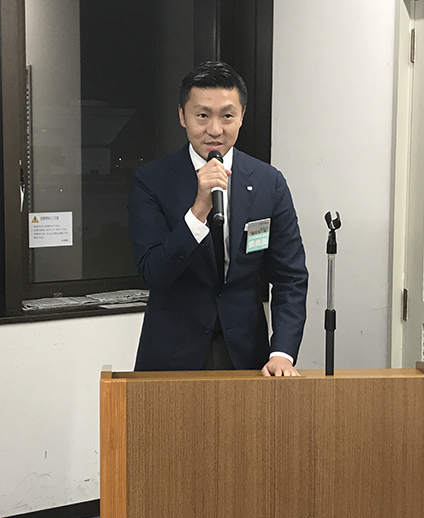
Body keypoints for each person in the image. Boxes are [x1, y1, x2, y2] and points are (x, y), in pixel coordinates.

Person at [127, 61, 308, 376]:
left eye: (227, 116)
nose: (215, 129)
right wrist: (199, 209)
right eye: (202, 115)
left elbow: (290, 277)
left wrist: (282, 353)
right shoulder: (152, 180)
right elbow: (153, 273)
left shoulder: (268, 182)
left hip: (247, 354)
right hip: (172, 354)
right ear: (182, 116)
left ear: (242, 116)